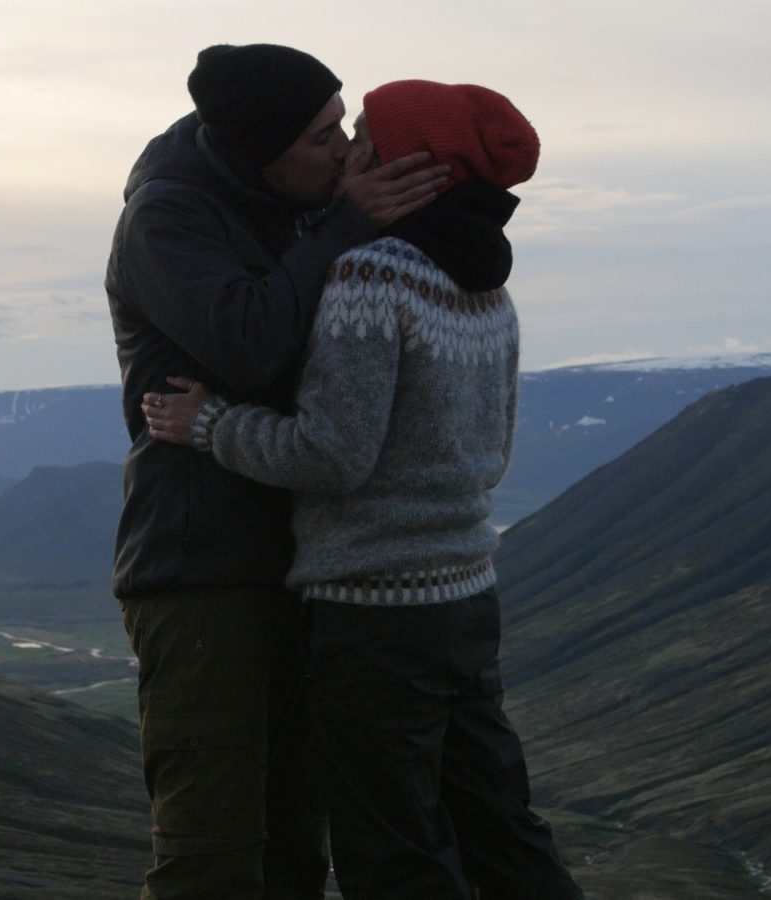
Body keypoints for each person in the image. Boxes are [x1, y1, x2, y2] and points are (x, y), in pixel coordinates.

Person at [141, 80, 585, 899]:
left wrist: (210, 425)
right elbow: (493, 452)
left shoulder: (372, 279)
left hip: (377, 610)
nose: (346, 150)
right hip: (465, 595)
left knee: (393, 851)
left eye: (362, 135)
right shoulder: (488, 289)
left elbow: (331, 456)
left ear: (402, 162)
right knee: (501, 827)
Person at [107, 45, 450, 900]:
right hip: (203, 572)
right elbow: (251, 342)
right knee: (213, 852)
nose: (345, 153)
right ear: (261, 150)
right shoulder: (168, 218)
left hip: (300, 561)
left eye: (341, 127)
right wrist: (345, 228)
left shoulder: (283, 200)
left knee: (296, 848)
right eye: (322, 138)